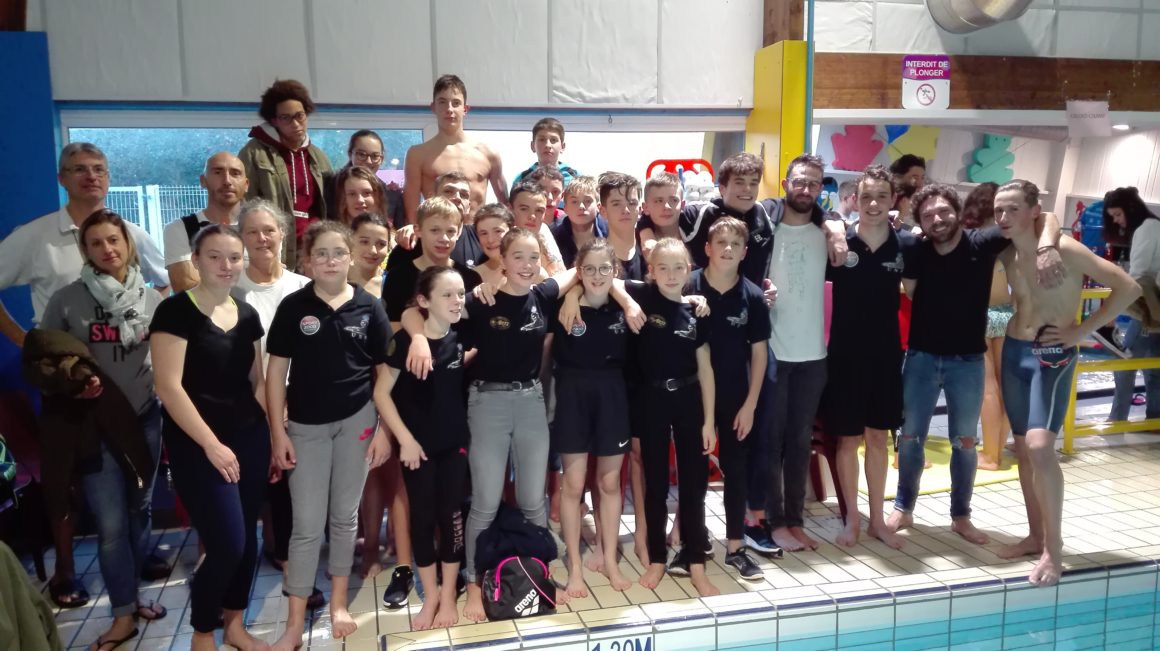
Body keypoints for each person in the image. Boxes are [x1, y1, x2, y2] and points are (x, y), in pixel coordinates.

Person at [399, 227, 637, 622]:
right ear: (503, 261)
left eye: (533, 258)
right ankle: (474, 585)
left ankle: (539, 574)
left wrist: (616, 298)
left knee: (533, 501)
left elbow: (583, 271)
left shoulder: (542, 295)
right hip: (487, 403)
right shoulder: (480, 300)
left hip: (530, 401)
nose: (527, 265)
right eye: (518, 257)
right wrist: (418, 338)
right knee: (486, 502)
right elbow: (415, 310)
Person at [0, 142, 168, 610]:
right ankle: (67, 571)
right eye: (78, 169)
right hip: (70, 393)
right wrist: (30, 344)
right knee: (67, 484)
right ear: (62, 178)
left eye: (98, 169)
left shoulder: (130, 230)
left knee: (135, 499)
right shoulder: (36, 237)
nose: (90, 176)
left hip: (135, 397)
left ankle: (132, 568)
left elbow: (165, 282)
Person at [887, 183, 1063, 545]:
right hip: (921, 357)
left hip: (967, 361)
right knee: (910, 437)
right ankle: (903, 507)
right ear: (920, 221)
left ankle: (961, 516)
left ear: (957, 211)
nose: (937, 219)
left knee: (965, 442)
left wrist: (1047, 246)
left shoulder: (981, 243)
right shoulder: (916, 248)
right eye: (928, 215)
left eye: (943, 211)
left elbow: (1045, 216)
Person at [994, 180, 1139, 586]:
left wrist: (1082, 331)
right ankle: (1035, 537)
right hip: (1014, 352)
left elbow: (1128, 287)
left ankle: (1053, 552)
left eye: (1012, 209)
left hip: (1051, 354)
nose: (1003, 217)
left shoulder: (1066, 250)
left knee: (1041, 446)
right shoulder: (1006, 252)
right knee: (1024, 450)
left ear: (1033, 212)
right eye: (998, 210)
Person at [41, 209, 167, 651]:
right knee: (112, 524)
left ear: (128, 244)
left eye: (114, 240)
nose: (107, 249)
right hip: (95, 426)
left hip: (146, 419)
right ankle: (121, 615)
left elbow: (165, 359)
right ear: (85, 251)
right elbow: (44, 360)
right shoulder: (67, 301)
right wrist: (74, 383)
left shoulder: (152, 300)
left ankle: (134, 598)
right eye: (96, 243)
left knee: (140, 512)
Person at [266, 221, 393, 649]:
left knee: (344, 517)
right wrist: (278, 433)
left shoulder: (369, 307)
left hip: (358, 422)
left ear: (351, 258)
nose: (330, 260)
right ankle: (293, 623)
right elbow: (275, 374)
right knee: (305, 524)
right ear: (307, 261)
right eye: (321, 253)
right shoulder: (293, 307)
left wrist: (382, 430)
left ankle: (338, 603)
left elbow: (384, 373)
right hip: (305, 427)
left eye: (338, 252)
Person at [150, 224, 269, 651]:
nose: (226, 265)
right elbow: (168, 387)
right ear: (196, 261)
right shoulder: (174, 311)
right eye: (214, 256)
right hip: (198, 445)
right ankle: (203, 633)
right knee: (227, 545)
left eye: (234, 257)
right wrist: (212, 445)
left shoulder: (247, 313)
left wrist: (272, 438)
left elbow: (257, 383)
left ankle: (235, 626)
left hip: (249, 439)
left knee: (248, 542)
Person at [230, 200, 322, 609]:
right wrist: (269, 414)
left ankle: (291, 560)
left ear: (283, 234)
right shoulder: (233, 290)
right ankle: (256, 566)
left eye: (269, 230)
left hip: (299, 401)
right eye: (252, 232)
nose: (262, 238)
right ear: (241, 238)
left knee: (294, 488)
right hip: (247, 403)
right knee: (260, 488)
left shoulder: (304, 286)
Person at [820, 166, 912, 549]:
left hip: (886, 355)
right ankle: (852, 519)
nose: (873, 204)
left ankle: (877, 520)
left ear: (893, 200)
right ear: (855, 199)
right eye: (867, 196)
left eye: (881, 197)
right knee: (847, 439)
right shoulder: (840, 242)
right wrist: (832, 226)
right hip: (844, 355)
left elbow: (919, 290)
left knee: (878, 438)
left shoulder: (905, 245)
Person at [374, 266, 469, 629]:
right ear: (424, 301)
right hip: (417, 449)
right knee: (423, 519)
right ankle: (430, 596)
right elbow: (381, 394)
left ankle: (448, 596)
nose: (456, 300)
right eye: (447, 294)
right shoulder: (405, 342)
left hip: (454, 446)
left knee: (452, 517)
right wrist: (405, 440)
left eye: (460, 293)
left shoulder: (461, 334)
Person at [623, 238, 718, 597]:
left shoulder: (697, 312)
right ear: (651, 271)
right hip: (651, 399)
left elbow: (706, 369)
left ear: (689, 270)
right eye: (662, 267)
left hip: (689, 399)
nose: (671, 274)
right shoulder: (643, 296)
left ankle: (696, 562)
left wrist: (708, 421)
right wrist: (625, 302)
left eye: (679, 267)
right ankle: (658, 558)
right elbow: (608, 281)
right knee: (656, 485)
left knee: (694, 485)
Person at [759, 153, 842, 553]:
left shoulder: (826, 233)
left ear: (820, 188)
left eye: (813, 183)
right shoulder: (766, 229)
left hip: (814, 357)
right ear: (786, 185)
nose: (806, 189)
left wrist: (836, 226)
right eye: (799, 182)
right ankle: (773, 521)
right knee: (771, 442)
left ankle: (795, 520)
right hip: (774, 353)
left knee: (799, 443)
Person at [683, 218, 770, 580]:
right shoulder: (688, 285)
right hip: (692, 394)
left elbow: (760, 354)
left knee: (736, 471)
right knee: (693, 473)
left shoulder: (752, 296)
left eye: (736, 243)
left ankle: (736, 546)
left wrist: (750, 405)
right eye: (721, 242)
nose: (728, 249)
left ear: (745, 252)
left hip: (736, 397)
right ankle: (692, 543)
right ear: (707, 248)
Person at [551, 239, 635, 597]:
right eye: (589, 269)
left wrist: (696, 300)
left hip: (612, 396)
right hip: (572, 396)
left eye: (605, 269)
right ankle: (574, 568)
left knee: (610, 483)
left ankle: (610, 560)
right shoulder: (562, 305)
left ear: (615, 271)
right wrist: (572, 293)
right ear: (578, 271)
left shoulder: (626, 302)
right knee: (572, 485)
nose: (597, 276)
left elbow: (671, 288)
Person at [238, 79, 333, 271]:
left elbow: (331, 206)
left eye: (300, 116)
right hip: (274, 247)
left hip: (313, 248)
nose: (296, 124)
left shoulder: (318, 156)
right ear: (274, 120)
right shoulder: (254, 153)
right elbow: (244, 204)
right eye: (286, 118)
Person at [403, 75, 506, 225]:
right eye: (442, 102)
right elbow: (412, 211)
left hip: (476, 234)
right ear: (433, 107)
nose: (449, 109)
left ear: (465, 109)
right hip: (437, 234)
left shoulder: (488, 154)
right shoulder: (418, 155)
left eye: (456, 103)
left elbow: (505, 207)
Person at [961, 183, 1012, 470]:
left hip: (981, 315)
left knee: (988, 388)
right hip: (1007, 313)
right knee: (1005, 387)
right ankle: (997, 451)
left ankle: (990, 456)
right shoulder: (1009, 233)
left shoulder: (972, 237)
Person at [1104, 187, 1160, 421]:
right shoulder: (1154, 225)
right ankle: (1154, 419)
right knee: (1154, 366)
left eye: (1118, 214)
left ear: (1130, 209)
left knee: (1124, 362)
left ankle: (1118, 418)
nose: (1116, 221)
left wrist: (1112, 309)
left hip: (1149, 311)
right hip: (1153, 309)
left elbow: (1138, 276)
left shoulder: (1146, 228)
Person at [164, 152, 250, 292]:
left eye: (235, 173)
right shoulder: (179, 229)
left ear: (246, 184)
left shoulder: (264, 231)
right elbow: (185, 286)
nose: (227, 181)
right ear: (203, 181)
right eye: (218, 172)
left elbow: (271, 279)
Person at [389, 171, 485, 271]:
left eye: (464, 194)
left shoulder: (481, 238)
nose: (457, 198)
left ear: (468, 206)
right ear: (431, 197)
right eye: (448, 191)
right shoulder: (410, 242)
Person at [326, 129, 405, 228]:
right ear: (350, 154)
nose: (368, 161)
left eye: (375, 156)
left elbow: (397, 230)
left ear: (382, 159)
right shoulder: (329, 185)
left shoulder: (391, 194)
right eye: (361, 154)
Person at [509, 180, 566, 275]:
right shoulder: (504, 241)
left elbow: (560, 272)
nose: (532, 216)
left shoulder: (543, 229)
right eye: (524, 209)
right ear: (510, 209)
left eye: (539, 210)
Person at [552, 176, 608, 269]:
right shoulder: (554, 238)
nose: (581, 206)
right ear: (565, 208)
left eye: (588, 201)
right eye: (574, 201)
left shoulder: (611, 233)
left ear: (598, 207)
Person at [510, 117, 581, 190]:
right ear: (532, 146)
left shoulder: (576, 178)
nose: (548, 145)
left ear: (562, 146)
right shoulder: (522, 179)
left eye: (553, 140)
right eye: (542, 140)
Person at [639, 172, 683, 256]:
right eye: (658, 201)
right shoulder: (635, 243)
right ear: (646, 208)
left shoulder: (696, 233)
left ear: (683, 205)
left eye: (674, 200)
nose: (667, 206)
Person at [349, 213, 392, 297]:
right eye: (365, 242)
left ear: (388, 247)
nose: (373, 251)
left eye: (381, 244)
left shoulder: (392, 284)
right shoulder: (333, 277)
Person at [473, 203, 516, 287]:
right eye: (484, 233)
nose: (490, 240)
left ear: (513, 232)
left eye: (497, 231)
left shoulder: (531, 270)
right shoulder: (472, 276)